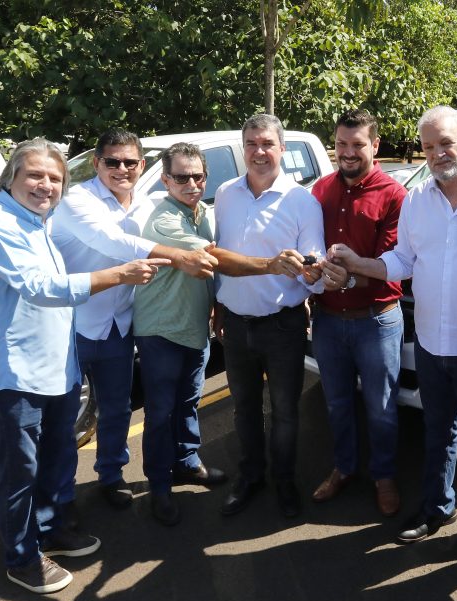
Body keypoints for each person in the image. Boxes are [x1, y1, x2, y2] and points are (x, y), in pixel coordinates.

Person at [0, 138, 167, 593]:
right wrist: (119, 274)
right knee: (19, 471)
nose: (46, 185)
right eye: (35, 174)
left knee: (57, 456)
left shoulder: (38, 220)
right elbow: (40, 287)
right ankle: (22, 556)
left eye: (55, 177)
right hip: (13, 372)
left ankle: (52, 529)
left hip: (56, 366)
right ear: (11, 175)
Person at [329, 105, 457, 576]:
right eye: (429, 146)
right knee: (439, 434)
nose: (436, 154)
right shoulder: (417, 201)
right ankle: (438, 507)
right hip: (432, 346)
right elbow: (401, 263)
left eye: (445, 144)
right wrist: (356, 261)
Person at [51, 128, 217, 513]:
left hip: (120, 324)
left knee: (117, 410)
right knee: (63, 419)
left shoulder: (146, 204)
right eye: (112, 161)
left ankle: (111, 477)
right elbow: (112, 242)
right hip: (72, 325)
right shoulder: (78, 199)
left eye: (130, 162)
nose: (121, 169)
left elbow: (184, 213)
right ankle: (60, 499)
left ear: (142, 166)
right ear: (97, 164)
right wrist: (178, 256)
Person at [212, 114, 325, 520]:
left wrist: (314, 273)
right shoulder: (225, 193)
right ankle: (251, 476)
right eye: (251, 144)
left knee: (285, 411)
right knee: (243, 408)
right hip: (236, 325)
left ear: (282, 148)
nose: (259, 152)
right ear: (243, 148)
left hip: (282, 326)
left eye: (267, 144)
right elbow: (220, 255)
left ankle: (284, 481)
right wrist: (219, 304)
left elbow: (314, 261)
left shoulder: (302, 201)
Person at [308, 110, 407, 517]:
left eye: (358, 145)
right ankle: (344, 468)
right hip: (329, 320)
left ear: (375, 146)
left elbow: (393, 263)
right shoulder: (320, 189)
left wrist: (348, 279)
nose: (348, 153)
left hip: (377, 320)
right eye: (342, 144)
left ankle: (383, 477)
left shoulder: (395, 195)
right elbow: (309, 244)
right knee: (336, 403)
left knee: (382, 408)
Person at [132, 142, 227, 527]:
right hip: (161, 330)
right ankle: (158, 486)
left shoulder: (205, 213)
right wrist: (271, 264)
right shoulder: (163, 219)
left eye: (198, 176)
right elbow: (213, 257)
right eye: (181, 176)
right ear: (166, 179)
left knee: (188, 403)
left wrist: (217, 308)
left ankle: (186, 464)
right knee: (159, 413)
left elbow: (211, 275)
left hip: (194, 329)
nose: (191, 183)